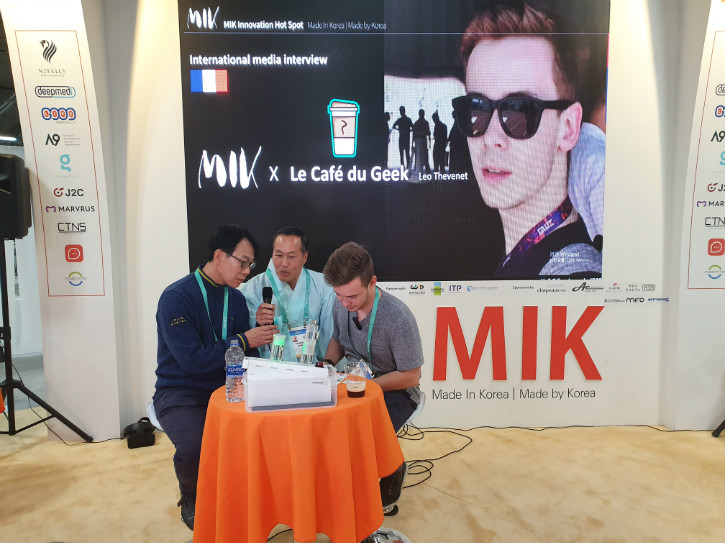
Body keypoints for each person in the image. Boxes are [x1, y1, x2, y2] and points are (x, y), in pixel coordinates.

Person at [453, 0, 602, 278]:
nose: (490, 138)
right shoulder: (521, 258)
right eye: (476, 108)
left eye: (519, 111)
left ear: (568, 127)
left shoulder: (573, 276)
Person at [153, 225, 278, 531]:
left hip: (228, 385)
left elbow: (245, 355)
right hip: (180, 390)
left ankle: (254, 495)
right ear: (220, 256)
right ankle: (191, 496)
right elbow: (191, 360)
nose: (247, 271)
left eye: (250, 265)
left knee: (267, 430)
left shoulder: (235, 299)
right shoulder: (176, 297)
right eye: (243, 262)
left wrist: (256, 344)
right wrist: (245, 339)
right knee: (196, 445)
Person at [322, 242, 423, 526]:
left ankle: (391, 470)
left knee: (362, 433)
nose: (345, 303)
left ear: (372, 282)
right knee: (323, 425)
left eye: (352, 296)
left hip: (396, 390)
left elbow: (411, 376)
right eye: (339, 295)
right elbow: (338, 340)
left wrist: (369, 384)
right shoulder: (341, 303)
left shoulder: (398, 317)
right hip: (354, 383)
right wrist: (328, 363)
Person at [242, 227, 335, 363]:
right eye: (279, 255)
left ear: (305, 257)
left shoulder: (323, 285)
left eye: (291, 257)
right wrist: (257, 323)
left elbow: (331, 336)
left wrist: (325, 365)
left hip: (311, 367)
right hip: (267, 368)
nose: (284, 263)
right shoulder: (254, 287)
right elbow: (242, 338)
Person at [411, 108, 431, 174]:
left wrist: (412, 144)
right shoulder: (425, 123)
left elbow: (414, 135)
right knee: (423, 158)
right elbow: (428, 133)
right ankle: (426, 172)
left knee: (421, 158)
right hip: (422, 142)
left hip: (420, 142)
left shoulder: (417, 123)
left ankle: (422, 172)